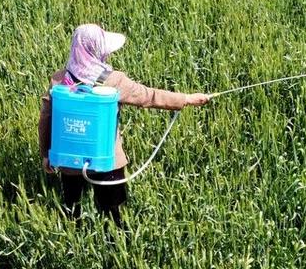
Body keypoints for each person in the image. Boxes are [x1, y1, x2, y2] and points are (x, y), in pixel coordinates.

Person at [38, 24, 210, 228]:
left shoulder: (59, 81)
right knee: (114, 213)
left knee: (71, 209)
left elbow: (45, 120)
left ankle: (75, 240)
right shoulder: (113, 81)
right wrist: (187, 99)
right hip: (107, 161)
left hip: (69, 162)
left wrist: (46, 154)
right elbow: (149, 96)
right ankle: (117, 244)